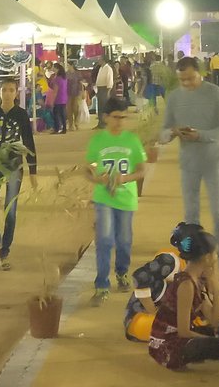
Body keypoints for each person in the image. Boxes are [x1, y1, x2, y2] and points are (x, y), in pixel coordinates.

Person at [160, 57, 219, 278]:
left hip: (212, 161)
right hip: (188, 162)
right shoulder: (174, 98)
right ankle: (195, 260)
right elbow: (163, 134)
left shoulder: (214, 93)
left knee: (218, 212)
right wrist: (173, 132)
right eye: (182, 80)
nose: (186, 84)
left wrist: (200, 135)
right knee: (191, 215)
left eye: (190, 79)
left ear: (199, 73)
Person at [147, 228, 219, 368]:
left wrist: (217, 293)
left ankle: (218, 348)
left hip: (185, 334)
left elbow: (215, 321)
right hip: (168, 342)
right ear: (206, 257)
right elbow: (183, 331)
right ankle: (215, 350)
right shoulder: (186, 285)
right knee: (218, 345)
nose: (216, 256)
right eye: (215, 253)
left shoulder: (198, 279)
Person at [87, 95, 147, 303]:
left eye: (123, 117)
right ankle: (102, 284)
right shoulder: (97, 141)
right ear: (105, 117)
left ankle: (122, 272)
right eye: (115, 117)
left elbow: (141, 170)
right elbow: (88, 168)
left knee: (124, 241)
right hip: (104, 197)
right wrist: (98, 178)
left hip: (126, 199)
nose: (120, 121)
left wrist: (125, 178)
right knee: (104, 240)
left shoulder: (132, 140)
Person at [0, 77, 37, 270]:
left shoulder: (21, 115)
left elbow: (28, 141)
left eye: (11, 90)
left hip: (14, 165)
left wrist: (33, 169)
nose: (7, 94)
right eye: (4, 90)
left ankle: (5, 250)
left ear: (16, 92)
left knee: (10, 210)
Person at [95, 56, 116, 128]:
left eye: (99, 59)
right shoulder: (101, 68)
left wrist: (108, 90)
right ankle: (100, 123)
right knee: (100, 107)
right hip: (100, 88)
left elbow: (109, 80)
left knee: (104, 106)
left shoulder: (108, 68)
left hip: (105, 88)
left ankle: (105, 123)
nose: (98, 61)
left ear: (103, 60)